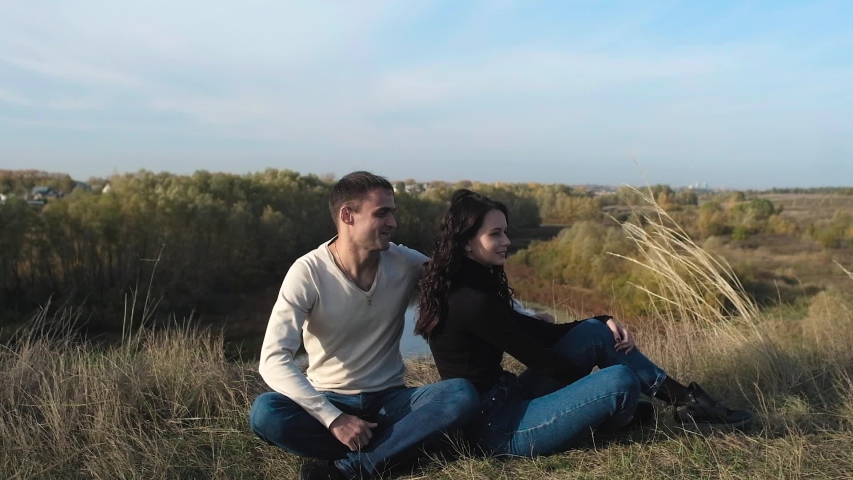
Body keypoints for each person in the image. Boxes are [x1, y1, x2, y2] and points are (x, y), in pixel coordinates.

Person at [415, 189, 754, 457]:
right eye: (496, 234)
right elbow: (542, 358)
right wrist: (597, 386)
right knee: (619, 381)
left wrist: (602, 322)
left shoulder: (475, 284)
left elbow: (544, 333)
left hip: (510, 396)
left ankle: (686, 402)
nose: (506, 242)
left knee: (594, 333)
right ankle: (614, 415)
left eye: (506, 232)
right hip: (494, 431)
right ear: (466, 243)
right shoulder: (471, 301)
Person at [249, 173, 480, 480]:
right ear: (348, 216)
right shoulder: (308, 272)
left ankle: (349, 468)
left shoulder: (403, 261)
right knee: (266, 414)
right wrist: (334, 419)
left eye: (392, 212)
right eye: (382, 213)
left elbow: (462, 287)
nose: (393, 222)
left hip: (391, 401)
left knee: (460, 395)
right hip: (328, 399)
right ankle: (397, 450)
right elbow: (273, 359)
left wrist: (522, 314)